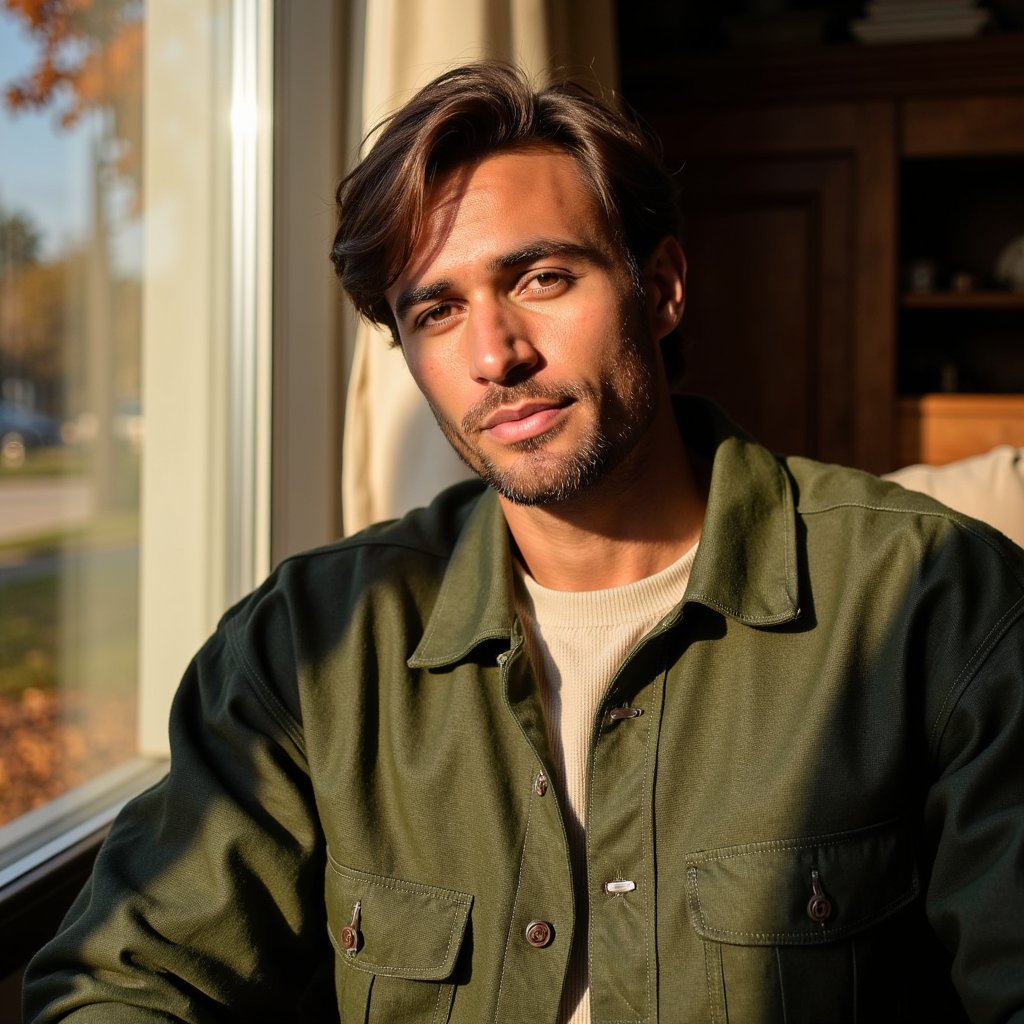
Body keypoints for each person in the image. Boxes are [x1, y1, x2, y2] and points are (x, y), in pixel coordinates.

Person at [23, 62, 1024, 1024]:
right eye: (437, 310)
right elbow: (127, 983)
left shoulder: (934, 598)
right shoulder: (310, 646)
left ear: (663, 286)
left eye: (543, 277)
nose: (495, 355)